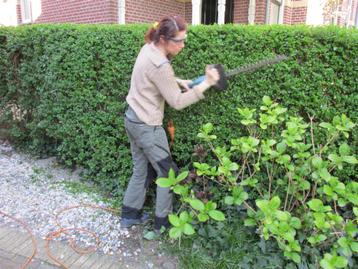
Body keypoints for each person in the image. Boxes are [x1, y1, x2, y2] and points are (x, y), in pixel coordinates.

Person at [120, 15, 219, 232]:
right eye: (179, 41)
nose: (183, 45)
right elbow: (177, 101)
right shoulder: (162, 65)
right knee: (168, 174)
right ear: (164, 39)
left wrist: (177, 81)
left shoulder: (149, 48)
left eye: (185, 40)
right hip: (147, 126)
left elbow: (152, 77)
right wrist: (207, 84)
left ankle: (129, 216)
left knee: (142, 170)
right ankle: (162, 224)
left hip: (132, 118)